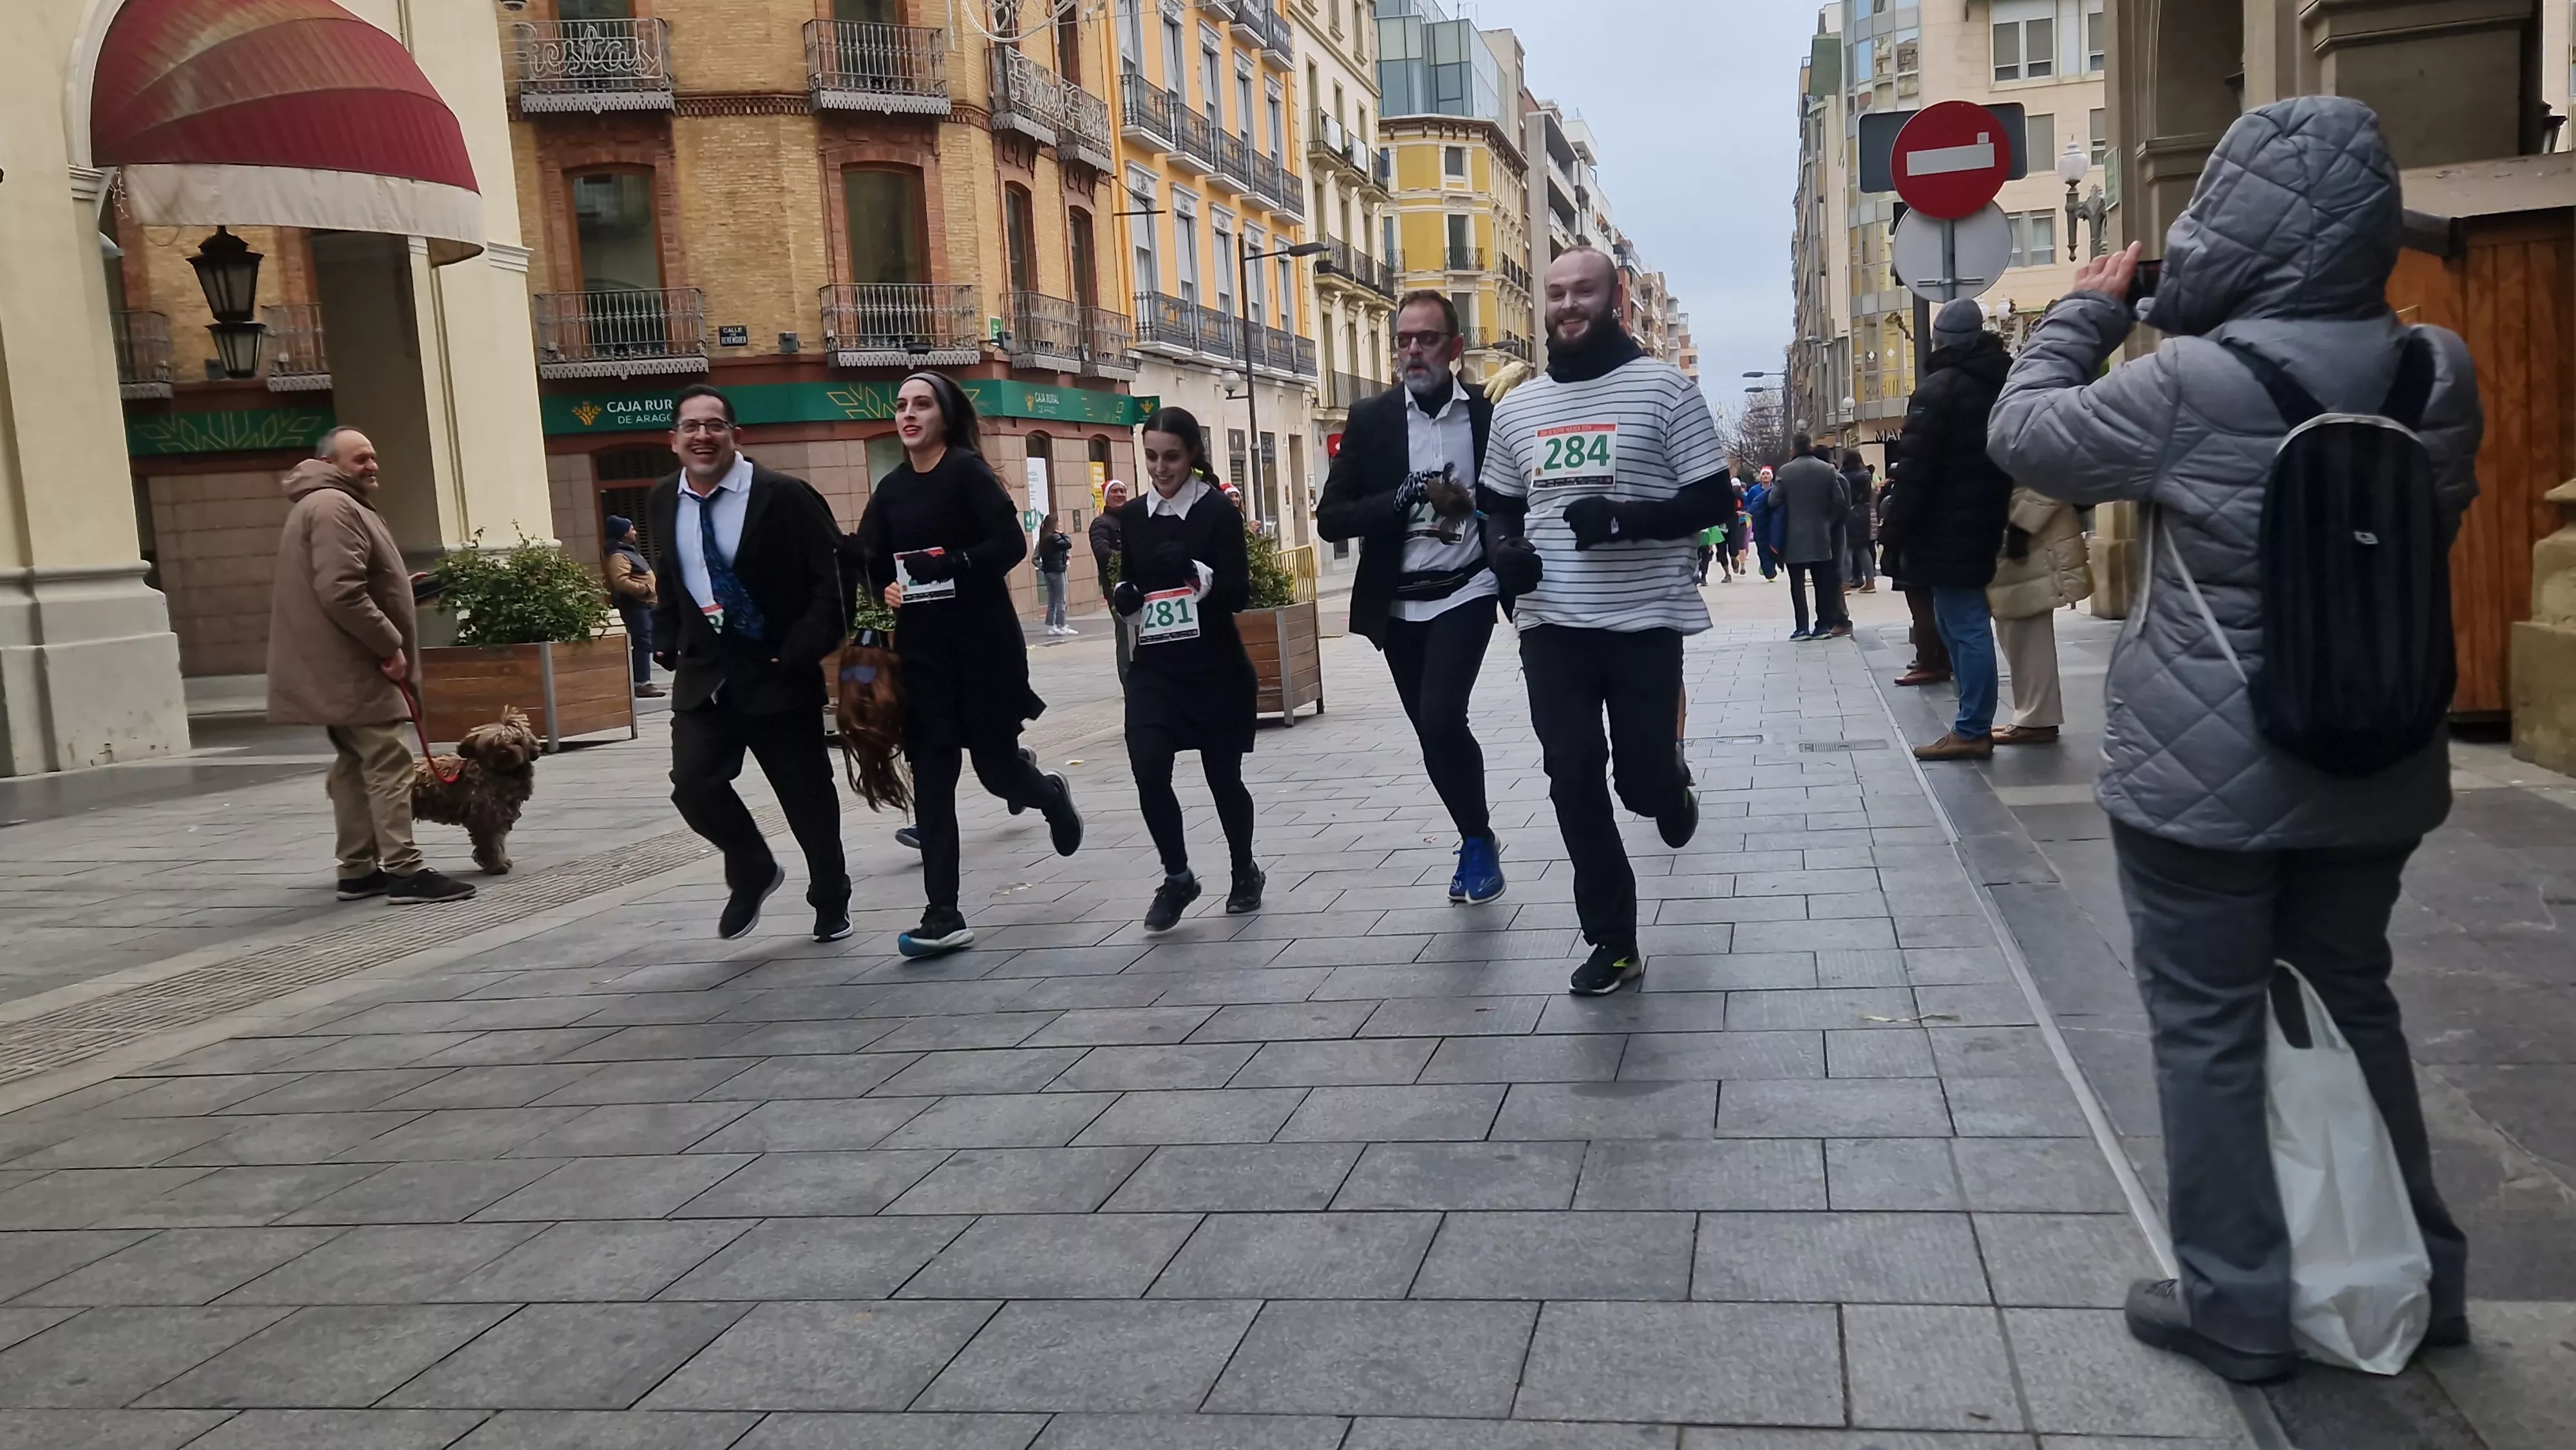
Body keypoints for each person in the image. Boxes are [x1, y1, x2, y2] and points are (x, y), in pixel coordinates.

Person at [1988, 96, 2480, 1385]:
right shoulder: (2438, 373)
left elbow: (2023, 433)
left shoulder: (2190, 381)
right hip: (2375, 750)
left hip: (2202, 777)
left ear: (2234, 222)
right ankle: (2420, 1275)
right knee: (2351, 996)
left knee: (2205, 1023)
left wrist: (2093, 310)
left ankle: (2238, 1301)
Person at [1482, 245, 1731, 997]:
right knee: (1572, 775)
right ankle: (1612, 938)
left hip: (1643, 618)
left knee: (1642, 784)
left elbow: (1712, 502)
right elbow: (1497, 502)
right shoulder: (1517, 408)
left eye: (1581, 292)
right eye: (1555, 293)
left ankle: (1671, 785)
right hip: (1550, 623)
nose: (1565, 305)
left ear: (1615, 297)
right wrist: (1504, 551)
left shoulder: (1663, 391)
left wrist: (1624, 520)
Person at [855, 372, 1084, 957]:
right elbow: (871, 558)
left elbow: (1010, 545)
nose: (908, 414)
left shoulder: (967, 473)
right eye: (902, 405)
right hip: (922, 654)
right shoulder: (890, 490)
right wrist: (885, 587)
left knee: (996, 770)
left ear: (945, 416)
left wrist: (953, 562)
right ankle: (943, 912)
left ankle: (1051, 795)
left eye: (922, 405)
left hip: (982, 648)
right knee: (932, 781)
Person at [1314, 290, 1506, 905]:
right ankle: (1475, 834)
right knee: (1431, 731)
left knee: (1446, 715)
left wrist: (1473, 506)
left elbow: (1516, 500)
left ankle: (1476, 846)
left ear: (1454, 349)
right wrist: (1401, 497)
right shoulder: (1371, 419)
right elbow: (1332, 518)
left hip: (1468, 587)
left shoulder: (1484, 414)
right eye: (1404, 340)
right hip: (1398, 603)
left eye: (1426, 339)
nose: (1413, 350)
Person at [649, 385, 850, 941]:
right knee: (692, 784)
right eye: (691, 426)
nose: (703, 436)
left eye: (715, 425)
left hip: (778, 669)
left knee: (806, 797)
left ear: (738, 436)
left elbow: (831, 584)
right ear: (674, 441)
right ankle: (753, 867)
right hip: (705, 674)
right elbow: (671, 575)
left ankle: (831, 895)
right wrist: (665, 636)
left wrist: (800, 650)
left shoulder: (784, 496)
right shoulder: (664, 498)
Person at [266, 427, 476, 905]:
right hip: (355, 664)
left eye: (374, 456)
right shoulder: (336, 506)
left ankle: (358, 869)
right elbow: (341, 591)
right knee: (387, 760)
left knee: (353, 764)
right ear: (328, 461)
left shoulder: (321, 504)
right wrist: (389, 644)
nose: (372, 465)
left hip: (336, 663)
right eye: (360, 458)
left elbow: (342, 581)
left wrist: (398, 585)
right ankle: (405, 870)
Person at [1110, 408, 1264, 929]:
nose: (1159, 467)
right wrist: (1126, 597)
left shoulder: (1218, 511)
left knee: (1224, 777)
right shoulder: (1132, 518)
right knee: (1149, 768)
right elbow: (1132, 590)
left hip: (1214, 666)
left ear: (1193, 454)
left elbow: (1239, 594)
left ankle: (1244, 869)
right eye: (1151, 456)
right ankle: (1177, 876)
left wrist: (1196, 574)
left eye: (1171, 456)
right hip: (1155, 666)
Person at [1879, 299, 2014, 760]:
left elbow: (1916, 472)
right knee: (1961, 620)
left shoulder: (1940, 390)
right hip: (1984, 517)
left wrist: (1893, 532)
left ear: (1940, 342)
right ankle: (1971, 721)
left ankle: (1973, 727)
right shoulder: (2001, 384)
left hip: (1945, 524)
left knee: (1963, 623)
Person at [1984, 487, 2090, 744]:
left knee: (2027, 630)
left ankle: (2036, 719)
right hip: (2024, 533)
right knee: (2017, 629)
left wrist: (2021, 527)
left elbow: (2048, 482)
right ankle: (2031, 716)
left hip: (2032, 539)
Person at [1773, 434, 1850, 641]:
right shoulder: (1827, 470)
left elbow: (1773, 500)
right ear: (1810, 446)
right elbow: (1840, 502)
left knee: (1797, 584)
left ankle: (1801, 628)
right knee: (1821, 582)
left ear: (1794, 448)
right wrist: (1827, 521)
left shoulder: (1785, 471)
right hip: (1821, 534)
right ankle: (1823, 625)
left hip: (1793, 536)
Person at [603, 514, 664, 699]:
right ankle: (641, 683)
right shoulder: (618, 555)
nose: (635, 532)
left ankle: (643, 681)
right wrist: (645, 589)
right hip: (636, 605)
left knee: (646, 641)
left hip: (644, 604)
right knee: (642, 642)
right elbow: (620, 581)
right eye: (631, 529)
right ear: (623, 534)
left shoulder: (628, 552)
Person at [1091, 480, 1133, 683]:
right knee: (1125, 635)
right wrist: (1130, 558)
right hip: (1116, 588)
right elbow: (1102, 553)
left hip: (1138, 585)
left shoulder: (1132, 519)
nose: (1120, 495)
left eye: (1122, 491)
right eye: (1115, 491)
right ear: (1106, 497)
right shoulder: (1101, 523)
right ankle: (1128, 681)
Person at [1841, 451, 1879, 593]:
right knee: (1863, 549)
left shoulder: (1846, 477)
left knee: (1847, 549)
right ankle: (1870, 582)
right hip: (1864, 513)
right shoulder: (1866, 475)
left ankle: (1845, 583)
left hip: (1850, 513)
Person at [1036, 513, 1077, 636]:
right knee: (1060, 600)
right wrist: (1063, 533)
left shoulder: (1044, 538)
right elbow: (1067, 544)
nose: (1059, 524)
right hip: (1057, 571)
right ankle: (1062, 625)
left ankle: (1052, 625)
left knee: (1052, 600)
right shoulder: (1054, 537)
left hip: (1048, 571)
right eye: (1058, 522)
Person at [1745, 464, 1783, 579]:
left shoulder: (1777, 488)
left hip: (1773, 521)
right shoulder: (1754, 490)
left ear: (1771, 477)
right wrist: (1749, 513)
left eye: (1767, 474)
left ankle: (1771, 567)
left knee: (1773, 542)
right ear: (1760, 477)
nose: (1765, 476)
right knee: (1761, 545)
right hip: (1759, 522)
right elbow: (1749, 504)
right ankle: (1767, 567)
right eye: (1763, 474)